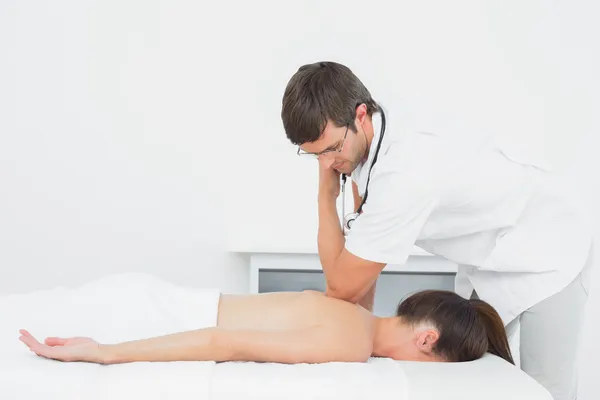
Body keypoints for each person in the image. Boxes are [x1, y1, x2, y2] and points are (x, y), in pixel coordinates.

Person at [280, 61, 594, 400]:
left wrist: (325, 197)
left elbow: (343, 288)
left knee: (547, 392)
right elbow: (364, 263)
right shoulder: (365, 139)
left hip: (548, 248)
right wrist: (356, 343)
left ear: (359, 115)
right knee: (472, 375)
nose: (326, 165)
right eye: (314, 156)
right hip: (491, 256)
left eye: (331, 150)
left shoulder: (404, 175)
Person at [18, 287, 513, 366]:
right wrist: (106, 352)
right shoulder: (352, 343)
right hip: (163, 315)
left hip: (168, 299)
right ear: (426, 340)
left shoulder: (355, 312)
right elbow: (222, 342)